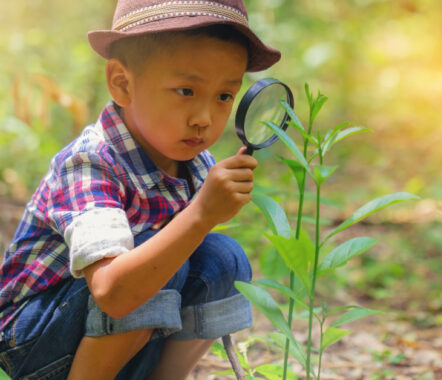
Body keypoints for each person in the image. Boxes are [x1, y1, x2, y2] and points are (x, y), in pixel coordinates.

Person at [0, 0, 281, 378]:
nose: (204, 118)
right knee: (158, 256)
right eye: (185, 91)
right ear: (122, 84)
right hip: (30, 344)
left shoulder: (196, 165)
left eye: (224, 97)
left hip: (112, 334)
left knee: (222, 258)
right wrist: (200, 215)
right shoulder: (90, 163)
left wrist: (203, 216)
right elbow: (112, 293)